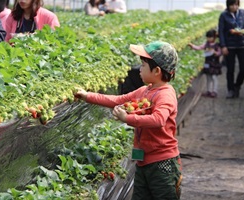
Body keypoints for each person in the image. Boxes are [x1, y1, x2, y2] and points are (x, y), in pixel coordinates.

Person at [75, 41, 182, 200]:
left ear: (157, 71)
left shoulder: (165, 94)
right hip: (142, 161)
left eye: (143, 65)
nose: (140, 69)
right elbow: (118, 100)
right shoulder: (144, 90)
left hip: (162, 163)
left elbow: (159, 119)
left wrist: (128, 118)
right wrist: (87, 96)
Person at [218, 0, 244, 98]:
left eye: (236, 4)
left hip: (242, 44)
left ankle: (237, 85)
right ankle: (231, 90)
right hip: (230, 46)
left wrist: (243, 31)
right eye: (232, 4)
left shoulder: (243, 13)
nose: (234, 7)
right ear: (228, 5)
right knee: (230, 69)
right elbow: (221, 32)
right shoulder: (223, 15)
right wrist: (223, 46)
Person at [188, 29, 222, 98]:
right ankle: (209, 91)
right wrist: (192, 46)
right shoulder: (206, 44)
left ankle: (214, 91)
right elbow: (199, 47)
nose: (208, 39)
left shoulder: (217, 45)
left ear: (214, 37)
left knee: (214, 77)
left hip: (214, 63)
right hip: (207, 63)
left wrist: (215, 52)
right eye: (207, 37)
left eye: (210, 37)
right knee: (208, 77)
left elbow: (220, 53)